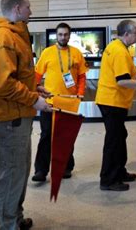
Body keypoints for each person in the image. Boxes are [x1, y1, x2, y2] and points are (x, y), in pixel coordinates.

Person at [0, 0, 52, 230]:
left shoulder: (17, 35)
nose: (31, 11)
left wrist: (35, 88)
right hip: (9, 118)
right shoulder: (3, 37)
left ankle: (15, 218)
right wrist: (33, 99)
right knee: (10, 172)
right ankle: (8, 224)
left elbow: (16, 75)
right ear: (17, 9)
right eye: (28, 7)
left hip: (19, 116)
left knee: (19, 171)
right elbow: (3, 84)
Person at [95, 20, 136, 192]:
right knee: (114, 141)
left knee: (120, 136)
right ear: (127, 34)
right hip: (112, 101)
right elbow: (122, 81)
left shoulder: (116, 47)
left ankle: (119, 171)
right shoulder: (119, 51)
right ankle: (108, 179)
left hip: (112, 101)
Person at [32, 22, 88, 182]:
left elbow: (82, 76)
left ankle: (66, 167)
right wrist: (35, 90)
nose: (63, 37)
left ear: (69, 36)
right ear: (56, 36)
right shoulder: (47, 52)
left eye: (66, 34)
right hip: (49, 102)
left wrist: (80, 93)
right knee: (46, 136)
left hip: (69, 103)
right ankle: (41, 171)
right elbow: (37, 74)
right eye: (60, 34)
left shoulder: (77, 53)